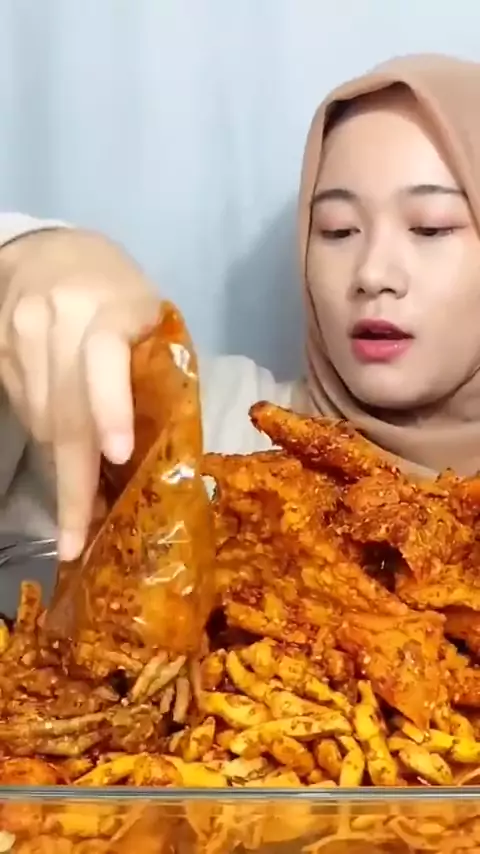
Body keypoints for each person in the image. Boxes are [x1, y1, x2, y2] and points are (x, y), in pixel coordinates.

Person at [4, 52, 480, 560]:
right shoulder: (202, 430)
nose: (372, 274)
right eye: (338, 230)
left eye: (430, 227)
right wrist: (31, 254)